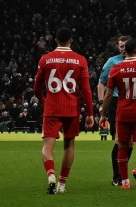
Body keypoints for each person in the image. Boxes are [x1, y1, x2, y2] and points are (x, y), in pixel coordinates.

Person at [33, 28, 95, 195]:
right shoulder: (80, 60)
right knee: (69, 145)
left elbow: (36, 87)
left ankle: (51, 175)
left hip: (52, 107)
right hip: (72, 108)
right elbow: (86, 89)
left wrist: (43, 100)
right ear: (71, 41)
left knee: (47, 146)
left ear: (55, 41)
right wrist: (90, 113)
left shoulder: (45, 59)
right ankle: (61, 184)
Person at [100, 39, 136, 190]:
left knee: (122, 145)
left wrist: (104, 114)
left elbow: (109, 94)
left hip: (123, 111)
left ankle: (124, 182)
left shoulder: (116, 69)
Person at [98, 36, 130, 186]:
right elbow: (101, 83)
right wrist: (101, 103)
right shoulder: (112, 62)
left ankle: (122, 173)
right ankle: (117, 176)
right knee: (119, 140)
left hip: (133, 102)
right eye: (120, 46)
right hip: (116, 102)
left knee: (129, 142)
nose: (123, 49)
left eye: (125, 46)